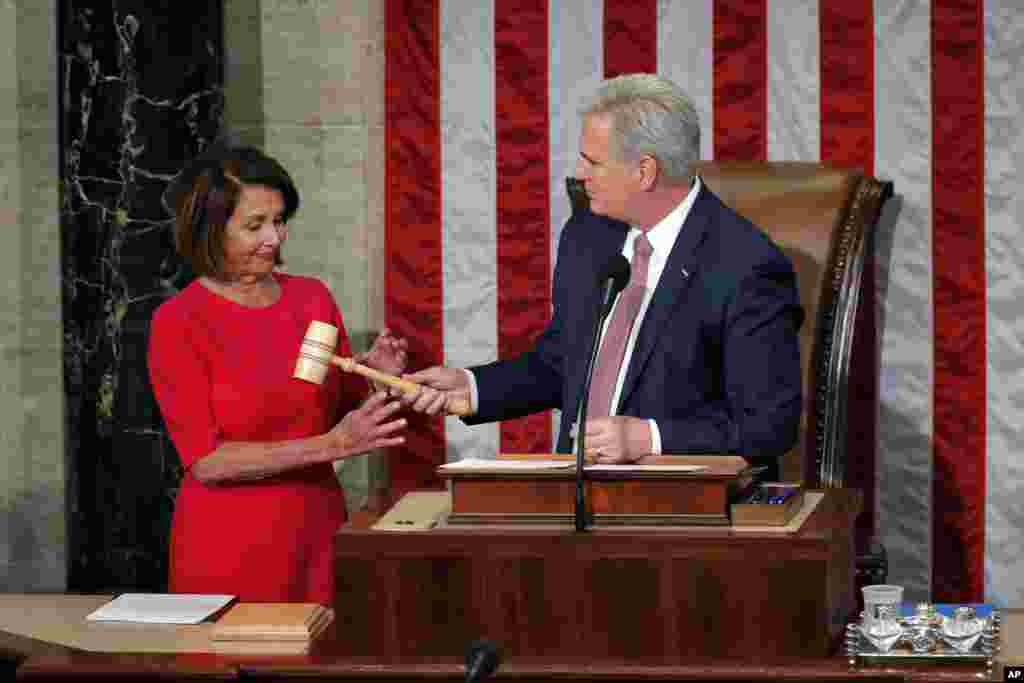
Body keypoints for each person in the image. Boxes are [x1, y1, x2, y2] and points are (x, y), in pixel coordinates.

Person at [405, 74, 803, 478]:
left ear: (644, 172)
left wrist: (648, 437)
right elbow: (564, 362)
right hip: (572, 495)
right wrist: (472, 388)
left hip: (678, 511)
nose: (580, 173)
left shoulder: (745, 265)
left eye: (592, 161)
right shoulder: (588, 236)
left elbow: (768, 424)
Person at [148, 145, 409, 606]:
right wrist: (333, 445)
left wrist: (377, 379)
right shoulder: (178, 322)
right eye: (255, 226)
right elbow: (207, 461)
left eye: (280, 220)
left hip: (317, 533)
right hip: (227, 547)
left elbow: (333, 397)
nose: (275, 237)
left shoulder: (312, 301)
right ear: (210, 230)